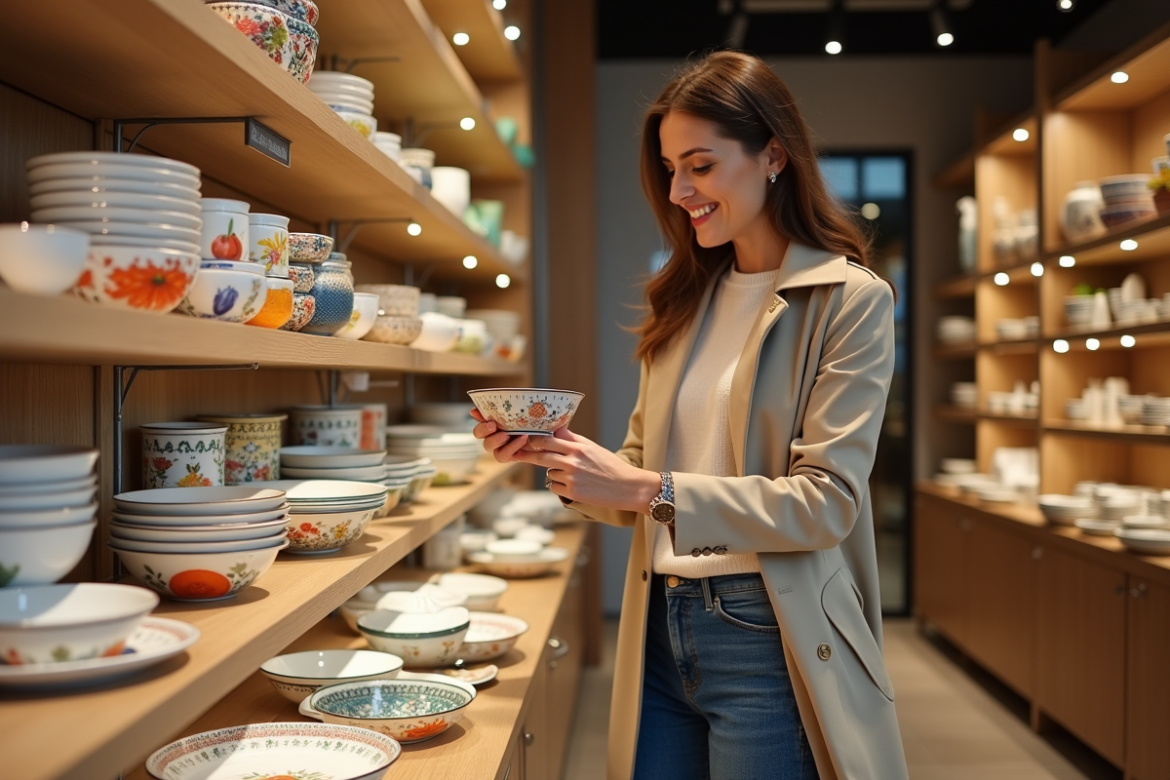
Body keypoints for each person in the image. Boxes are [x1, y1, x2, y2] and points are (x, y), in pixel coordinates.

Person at [472, 50, 908, 780]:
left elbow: (825, 505)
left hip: (768, 630)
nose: (678, 190)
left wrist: (649, 490)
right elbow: (634, 475)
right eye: (671, 168)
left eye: (700, 165)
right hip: (657, 623)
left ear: (773, 154)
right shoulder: (682, 302)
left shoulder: (849, 300)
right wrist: (559, 460)